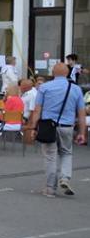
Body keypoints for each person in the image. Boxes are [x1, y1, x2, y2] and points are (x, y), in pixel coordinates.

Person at [24, 62, 87, 197]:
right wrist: (82, 132)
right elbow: (81, 113)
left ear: (53, 73)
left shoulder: (45, 87)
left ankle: (50, 189)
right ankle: (65, 178)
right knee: (66, 153)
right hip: (67, 127)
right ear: (67, 73)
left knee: (50, 157)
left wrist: (34, 127)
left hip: (48, 127)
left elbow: (37, 110)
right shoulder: (76, 89)